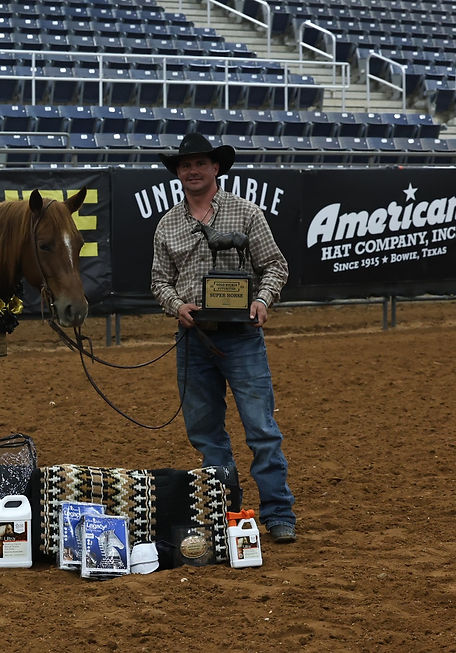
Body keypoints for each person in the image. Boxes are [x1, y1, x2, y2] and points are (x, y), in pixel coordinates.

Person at [150, 132, 297, 543]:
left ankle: (278, 512)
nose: (192, 170)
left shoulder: (247, 214)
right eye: (185, 165)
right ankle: (227, 511)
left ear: (216, 168)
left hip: (241, 338)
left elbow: (275, 266)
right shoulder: (167, 224)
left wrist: (263, 301)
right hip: (192, 341)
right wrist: (176, 305)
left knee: (261, 429)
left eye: (200, 163)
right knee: (206, 434)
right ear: (178, 172)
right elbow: (160, 282)